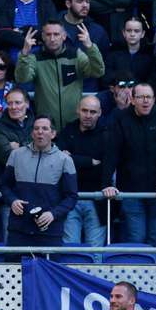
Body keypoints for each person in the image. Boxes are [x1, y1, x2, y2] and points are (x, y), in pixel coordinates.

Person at [103, 83, 156, 246]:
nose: (145, 101)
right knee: (136, 236)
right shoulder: (121, 118)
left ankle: (152, 270)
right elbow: (111, 153)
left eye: (148, 97)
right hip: (131, 190)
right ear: (132, 100)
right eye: (141, 97)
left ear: (154, 99)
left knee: (154, 237)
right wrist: (107, 184)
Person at [2, 115, 78, 248]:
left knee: (47, 269)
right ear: (32, 133)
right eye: (36, 128)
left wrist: (53, 214)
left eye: (45, 128)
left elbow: (71, 197)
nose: (40, 132)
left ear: (53, 133)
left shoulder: (64, 160)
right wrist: (12, 200)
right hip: (19, 230)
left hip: (49, 230)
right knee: (15, 268)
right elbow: (4, 185)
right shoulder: (16, 155)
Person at [15, 20, 105, 132]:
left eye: (56, 34)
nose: (52, 39)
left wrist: (90, 47)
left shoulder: (76, 55)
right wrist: (24, 54)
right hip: (47, 128)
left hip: (74, 126)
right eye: (48, 34)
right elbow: (22, 78)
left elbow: (98, 72)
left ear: (64, 36)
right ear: (43, 36)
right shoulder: (35, 58)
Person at [59, 96, 108, 250]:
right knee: (70, 252)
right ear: (77, 110)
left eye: (92, 112)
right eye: (84, 110)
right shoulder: (68, 130)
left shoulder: (107, 134)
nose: (88, 115)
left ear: (99, 113)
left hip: (97, 200)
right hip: (70, 198)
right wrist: (90, 162)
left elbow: (105, 165)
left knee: (95, 253)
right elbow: (60, 160)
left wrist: (72, 158)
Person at [104, 16, 154, 88]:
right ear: (124, 33)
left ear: (142, 34)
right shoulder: (113, 53)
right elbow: (107, 77)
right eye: (129, 30)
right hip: (118, 93)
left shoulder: (150, 55)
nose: (132, 34)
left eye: (136, 31)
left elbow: (151, 80)